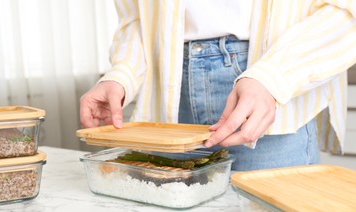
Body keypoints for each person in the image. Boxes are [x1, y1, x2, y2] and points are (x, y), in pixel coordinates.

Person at [80, 0, 356, 171]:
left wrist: (274, 76)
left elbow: (345, 10)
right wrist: (122, 74)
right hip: (170, 101)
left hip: (270, 88)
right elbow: (137, 17)